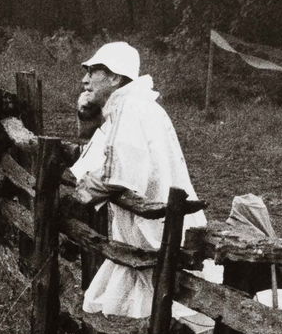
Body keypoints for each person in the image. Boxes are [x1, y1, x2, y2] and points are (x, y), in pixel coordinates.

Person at [68, 41, 205, 317]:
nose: (84, 80)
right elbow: (96, 154)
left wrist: (79, 194)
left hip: (155, 231)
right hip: (150, 230)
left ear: (115, 77)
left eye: (93, 71)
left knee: (156, 311)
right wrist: (87, 114)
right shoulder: (129, 106)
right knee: (149, 308)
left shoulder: (130, 108)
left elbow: (119, 172)